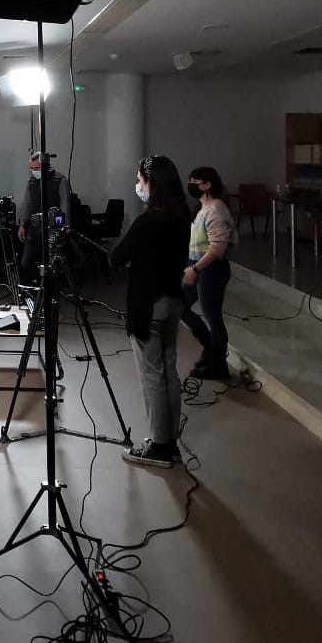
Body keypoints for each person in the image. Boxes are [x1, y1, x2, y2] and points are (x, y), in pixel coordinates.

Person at [108, 155, 192, 468]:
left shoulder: (149, 220)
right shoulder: (182, 216)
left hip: (149, 306)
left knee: (152, 377)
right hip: (173, 302)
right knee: (168, 372)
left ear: (152, 183)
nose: (138, 186)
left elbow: (117, 256)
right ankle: (169, 442)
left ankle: (158, 446)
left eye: (140, 180)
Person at [181, 166, 238, 381]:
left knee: (213, 316)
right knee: (180, 305)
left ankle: (219, 364)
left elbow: (217, 248)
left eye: (195, 182)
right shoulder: (201, 208)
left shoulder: (216, 209)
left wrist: (196, 269)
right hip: (198, 267)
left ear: (208, 184)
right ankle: (209, 349)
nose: (191, 186)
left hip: (212, 269)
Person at [17, 152, 72, 288]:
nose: (34, 171)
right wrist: (22, 224)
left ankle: (51, 292)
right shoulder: (31, 182)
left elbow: (65, 206)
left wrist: (65, 226)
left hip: (53, 230)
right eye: (32, 168)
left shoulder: (60, 181)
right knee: (26, 262)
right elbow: (27, 204)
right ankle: (33, 288)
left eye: (36, 168)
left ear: (45, 166)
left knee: (52, 265)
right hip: (34, 228)